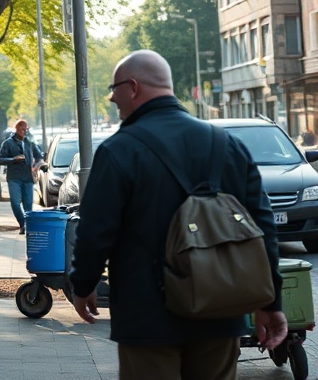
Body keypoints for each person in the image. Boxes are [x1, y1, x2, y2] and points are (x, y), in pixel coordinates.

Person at [70, 50, 287, 380]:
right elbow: (263, 230)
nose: (112, 98)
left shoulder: (118, 150)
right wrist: (271, 302)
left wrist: (83, 283)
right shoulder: (226, 144)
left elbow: (95, 231)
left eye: (114, 89)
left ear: (132, 87)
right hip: (221, 311)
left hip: (148, 318)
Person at [0, 118, 42, 233]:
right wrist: (13, 159)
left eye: (26, 129)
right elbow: (0, 160)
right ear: (16, 129)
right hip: (14, 178)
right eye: (22, 129)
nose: (24, 131)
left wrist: (36, 167)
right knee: (15, 203)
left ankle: (27, 226)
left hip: (28, 178)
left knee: (28, 205)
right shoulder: (8, 143)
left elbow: (40, 157)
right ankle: (22, 224)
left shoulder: (29, 143)